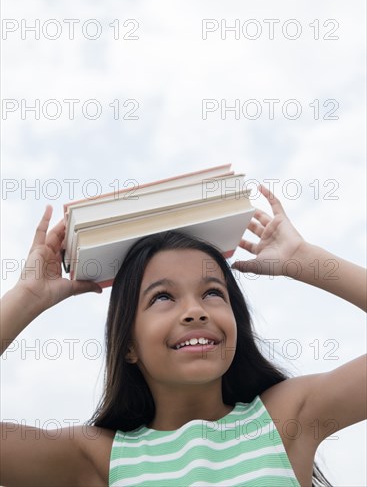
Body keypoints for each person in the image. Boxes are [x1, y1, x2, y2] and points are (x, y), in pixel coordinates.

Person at [1, 184, 365, 487]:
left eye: (212, 293)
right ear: (128, 345)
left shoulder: (286, 417)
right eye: (163, 297)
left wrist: (307, 259)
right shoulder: (100, 458)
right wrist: (26, 298)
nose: (195, 310)